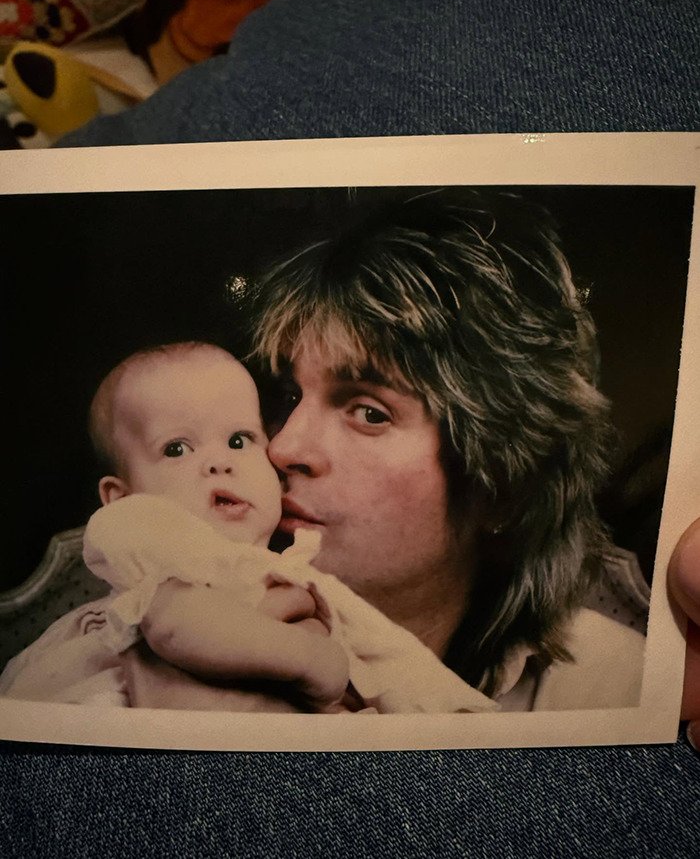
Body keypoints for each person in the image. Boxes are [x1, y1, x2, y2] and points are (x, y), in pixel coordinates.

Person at [122, 188, 649, 712]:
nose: (282, 447)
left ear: (503, 489)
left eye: (369, 412)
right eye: (289, 396)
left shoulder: (619, 691)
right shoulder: (154, 627)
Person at [0, 341, 494, 714]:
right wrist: (312, 662)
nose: (219, 463)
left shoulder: (296, 573)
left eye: (239, 439)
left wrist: (458, 713)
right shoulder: (152, 539)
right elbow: (176, 624)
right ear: (120, 497)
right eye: (177, 449)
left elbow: (391, 656)